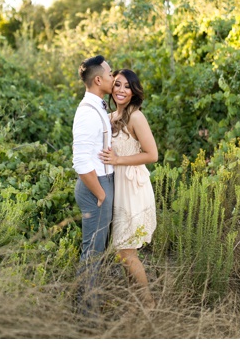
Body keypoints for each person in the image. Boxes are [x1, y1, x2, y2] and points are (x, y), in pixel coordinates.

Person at [99, 69, 157, 308]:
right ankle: (137, 304)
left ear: (134, 91)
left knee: (126, 252)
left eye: (127, 86)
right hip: (117, 187)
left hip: (133, 188)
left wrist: (118, 160)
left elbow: (152, 155)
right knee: (123, 250)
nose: (121, 90)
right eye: (118, 85)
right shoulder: (110, 116)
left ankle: (148, 303)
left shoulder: (136, 117)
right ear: (112, 88)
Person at [72, 54, 114, 313]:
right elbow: (80, 162)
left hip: (101, 182)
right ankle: (85, 313)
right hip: (94, 186)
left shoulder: (97, 105)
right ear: (98, 80)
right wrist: (101, 194)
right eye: (110, 75)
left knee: (96, 249)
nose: (113, 77)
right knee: (92, 252)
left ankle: (89, 306)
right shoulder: (87, 113)